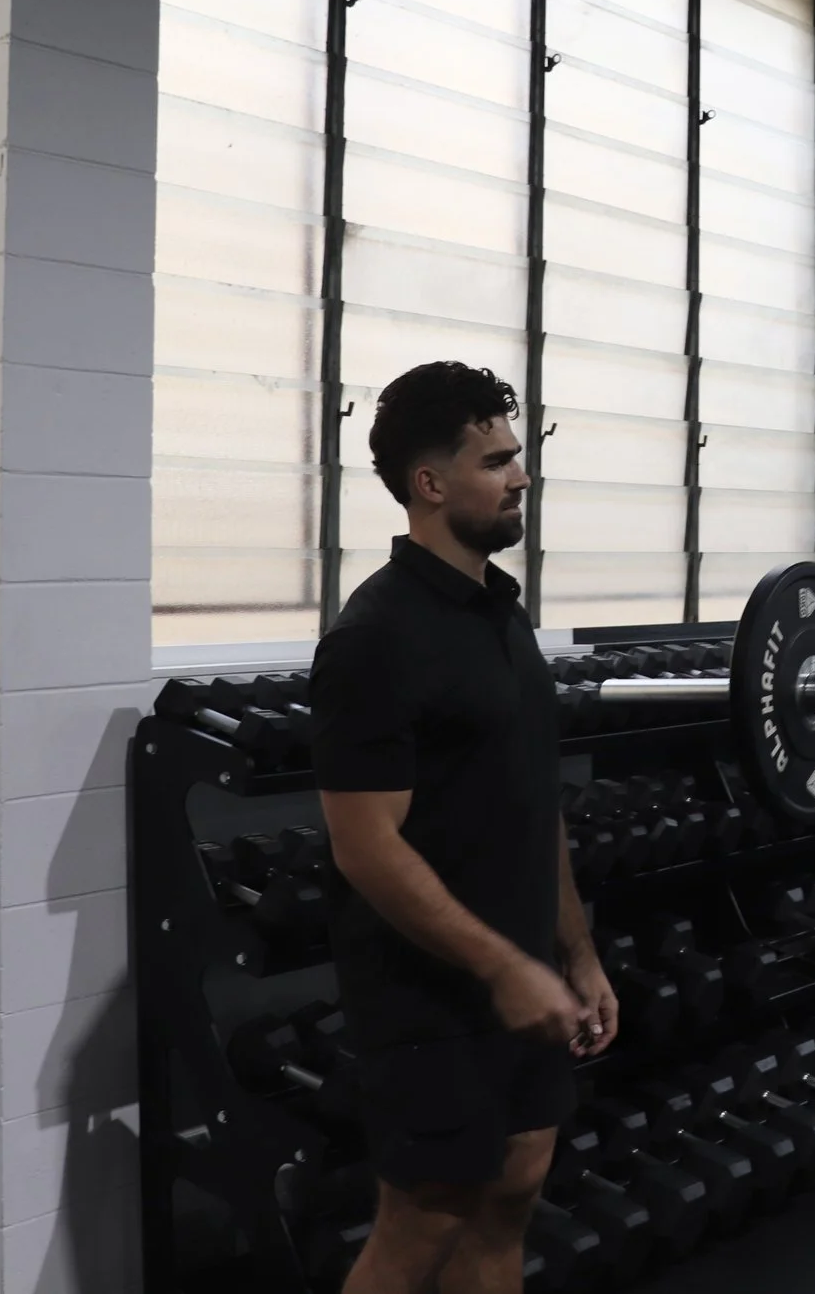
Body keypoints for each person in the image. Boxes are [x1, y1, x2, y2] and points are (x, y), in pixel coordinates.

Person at [311, 361, 619, 1294]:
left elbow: (531, 803)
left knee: (512, 1195)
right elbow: (365, 846)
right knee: (425, 1220)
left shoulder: (499, 613)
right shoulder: (376, 636)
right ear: (430, 484)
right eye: (498, 459)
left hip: (524, 970)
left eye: (518, 455)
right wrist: (503, 966)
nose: (521, 475)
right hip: (427, 992)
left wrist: (576, 949)